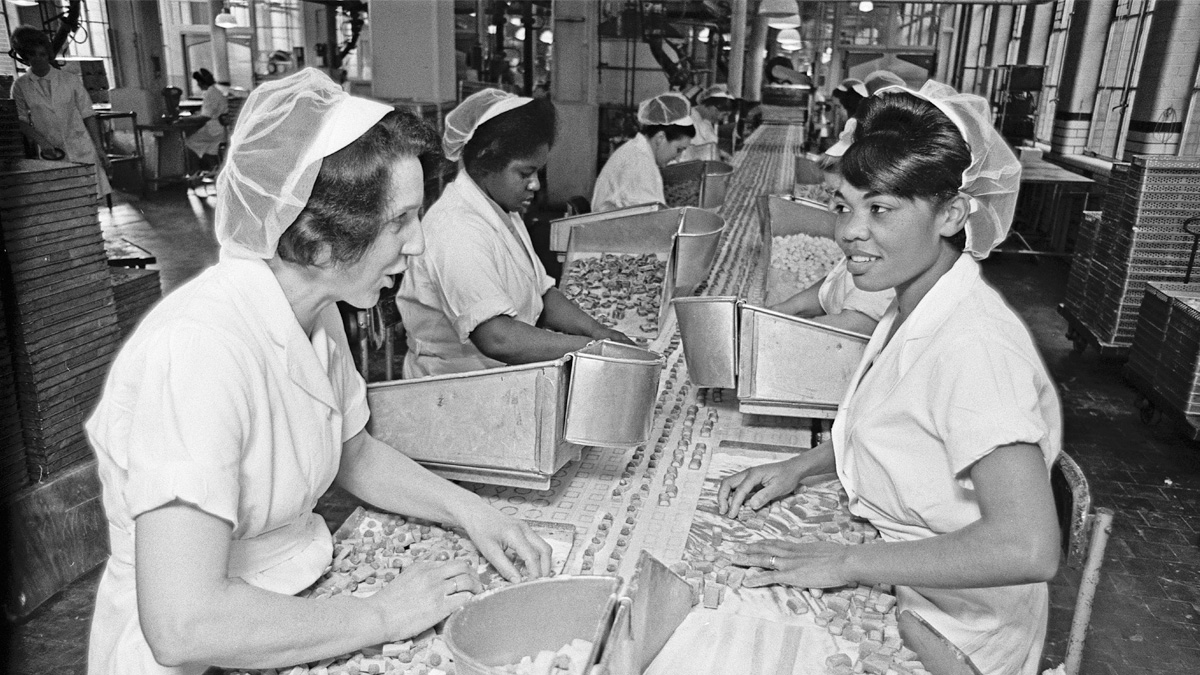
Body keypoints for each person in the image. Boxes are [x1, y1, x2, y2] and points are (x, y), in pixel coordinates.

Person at [84, 69, 552, 675]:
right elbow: (184, 624)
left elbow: (351, 452)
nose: (417, 244)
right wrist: (383, 616)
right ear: (320, 241)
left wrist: (475, 512)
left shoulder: (313, 307)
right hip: (212, 649)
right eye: (400, 222)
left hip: (293, 600)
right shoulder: (198, 353)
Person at [718, 81, 1060, 675]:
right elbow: (902, 428)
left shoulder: (974, 347)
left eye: (880, 209)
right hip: (905, 583)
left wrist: (845, 563)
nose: (849, 230)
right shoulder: (914, 301)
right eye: (843, 206)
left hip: (959, 630)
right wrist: (798, 466)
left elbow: (1027, 546)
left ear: (952, 213)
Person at [396, 88, 630, 378]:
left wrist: (599, 331)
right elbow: (498, 338)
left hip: (502, 378)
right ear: (485, 162)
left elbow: (541, 294)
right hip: (454, 388)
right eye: (524, 174)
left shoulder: (504, 209)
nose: (535, 186)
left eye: (538, 174)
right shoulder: (455, 229)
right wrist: (591, 349)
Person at [9, 25, 111, 199]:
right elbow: (20, 120)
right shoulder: (21, 85)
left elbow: (88, 115)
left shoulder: (69, 80)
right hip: (52, 151)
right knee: (63, 200)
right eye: (32, 54)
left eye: (42, 54)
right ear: (25, 57)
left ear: (48, 54)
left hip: (81, 147)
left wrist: (99, 149)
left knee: (88, 199)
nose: (38, 59)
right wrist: (42, 141)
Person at [591, 91, 696, 213]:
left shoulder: (638, 152)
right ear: (660, 138)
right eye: (678, 150)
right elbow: (652, 220)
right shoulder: (639, 163)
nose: (678, 158)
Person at [183, 67, 228, 171]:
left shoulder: (210, 93)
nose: (198, 85)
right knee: (209, 152)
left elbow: (205, 117)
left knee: (189, 142)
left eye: (198, 82)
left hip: (213, 130)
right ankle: (214, 173)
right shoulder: (215, 91)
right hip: (219, 130)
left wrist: (186, 120)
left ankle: (194, 173)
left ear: (201, 82)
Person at [678, 84, 733, 163]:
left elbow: (709, 145)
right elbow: (689, 153)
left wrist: (722, 154)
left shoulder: (706, 121)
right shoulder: (688, 119)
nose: (722, 119)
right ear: (714, 107)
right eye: (724, 114)